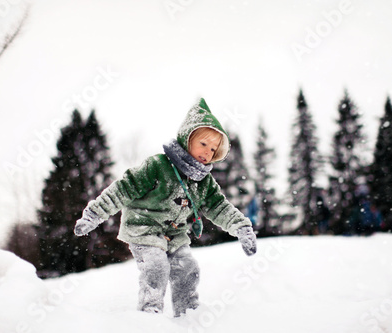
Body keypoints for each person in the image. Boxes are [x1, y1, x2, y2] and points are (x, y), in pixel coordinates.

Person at [73, 98, 257, 317]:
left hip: (175, 235)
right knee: (156, 267)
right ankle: (149, 314)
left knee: (188, 269)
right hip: (143, 228)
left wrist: (241, 227)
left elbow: (220, 207)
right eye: (203, 144)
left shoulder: (204, 181)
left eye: (213, 149)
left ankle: (188, 315)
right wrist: (94, 214)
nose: (207, 152)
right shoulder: (158, 166)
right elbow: (122, 189)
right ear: (187, 139)